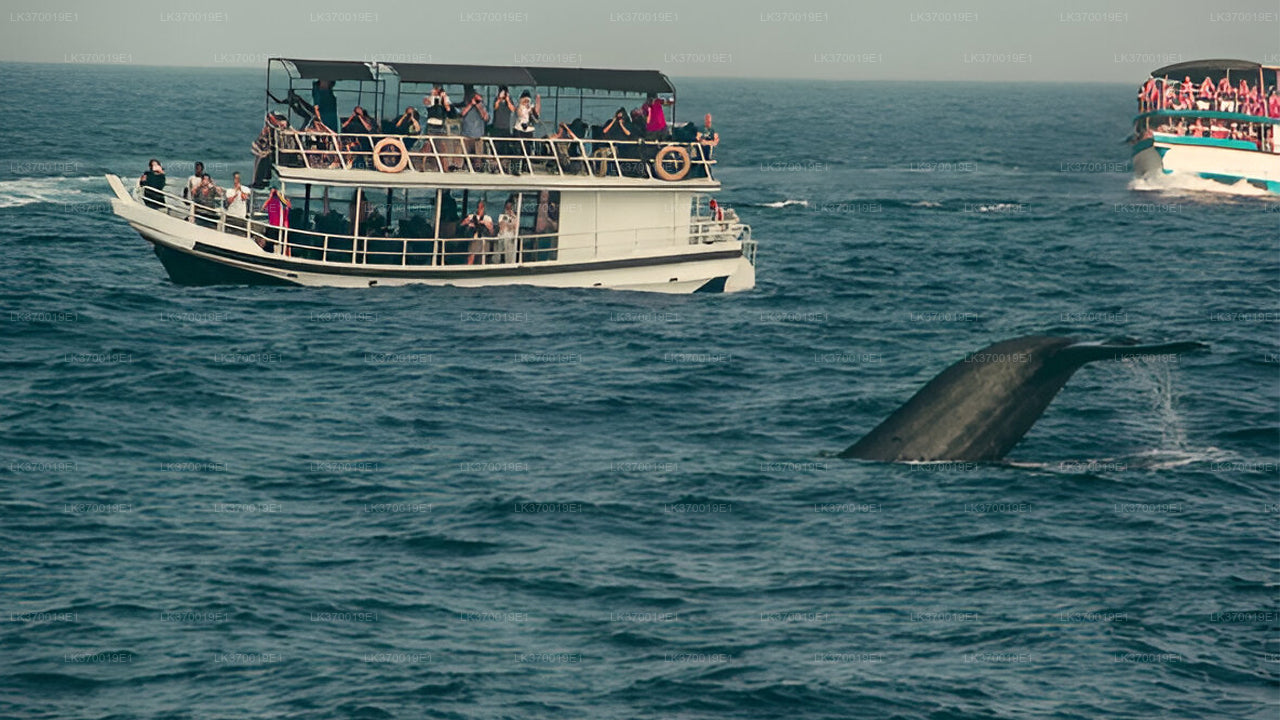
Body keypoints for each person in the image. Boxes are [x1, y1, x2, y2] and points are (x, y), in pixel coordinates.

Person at [459, 86, 490, 172]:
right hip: (466, 135)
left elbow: (486, 117)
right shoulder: (465, 105)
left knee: (478, 158)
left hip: (478, 136)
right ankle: (467, 169)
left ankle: (478, 170)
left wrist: (478, 105)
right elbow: (462, 113)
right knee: (466, 157)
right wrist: (471, 104)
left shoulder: (482, 106)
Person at [460, 198, 493, 265]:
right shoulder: (472, 216)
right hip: (475, 238)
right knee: (471, 257)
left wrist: (484, 223)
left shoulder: (487, 218)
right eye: (479, 207)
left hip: (484, 239)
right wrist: (468, 222)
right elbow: (462, 224)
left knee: (482, 258)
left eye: (481, 207)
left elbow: (491, 230)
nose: (480, 209)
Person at [492, 86, 515, 170]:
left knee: (505, 148)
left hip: (506, 128)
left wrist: (508, 99)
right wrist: (499, 98)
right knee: (497, 148)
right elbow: (495, 107)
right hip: (497, 127)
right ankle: (495, 166)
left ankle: (505, 166)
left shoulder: (509, 100)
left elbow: (513, 109)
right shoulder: (496, 100)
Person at [496, 197, 518, 264]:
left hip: (510, 238)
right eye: (507, 207)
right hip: (502, 237)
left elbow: (515, 227)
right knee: (499, 253)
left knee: (510, 255)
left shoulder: (515, 217)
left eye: (510, 208)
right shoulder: (501, 216)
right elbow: (501, 225)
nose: (508, 209)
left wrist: (513, 216)